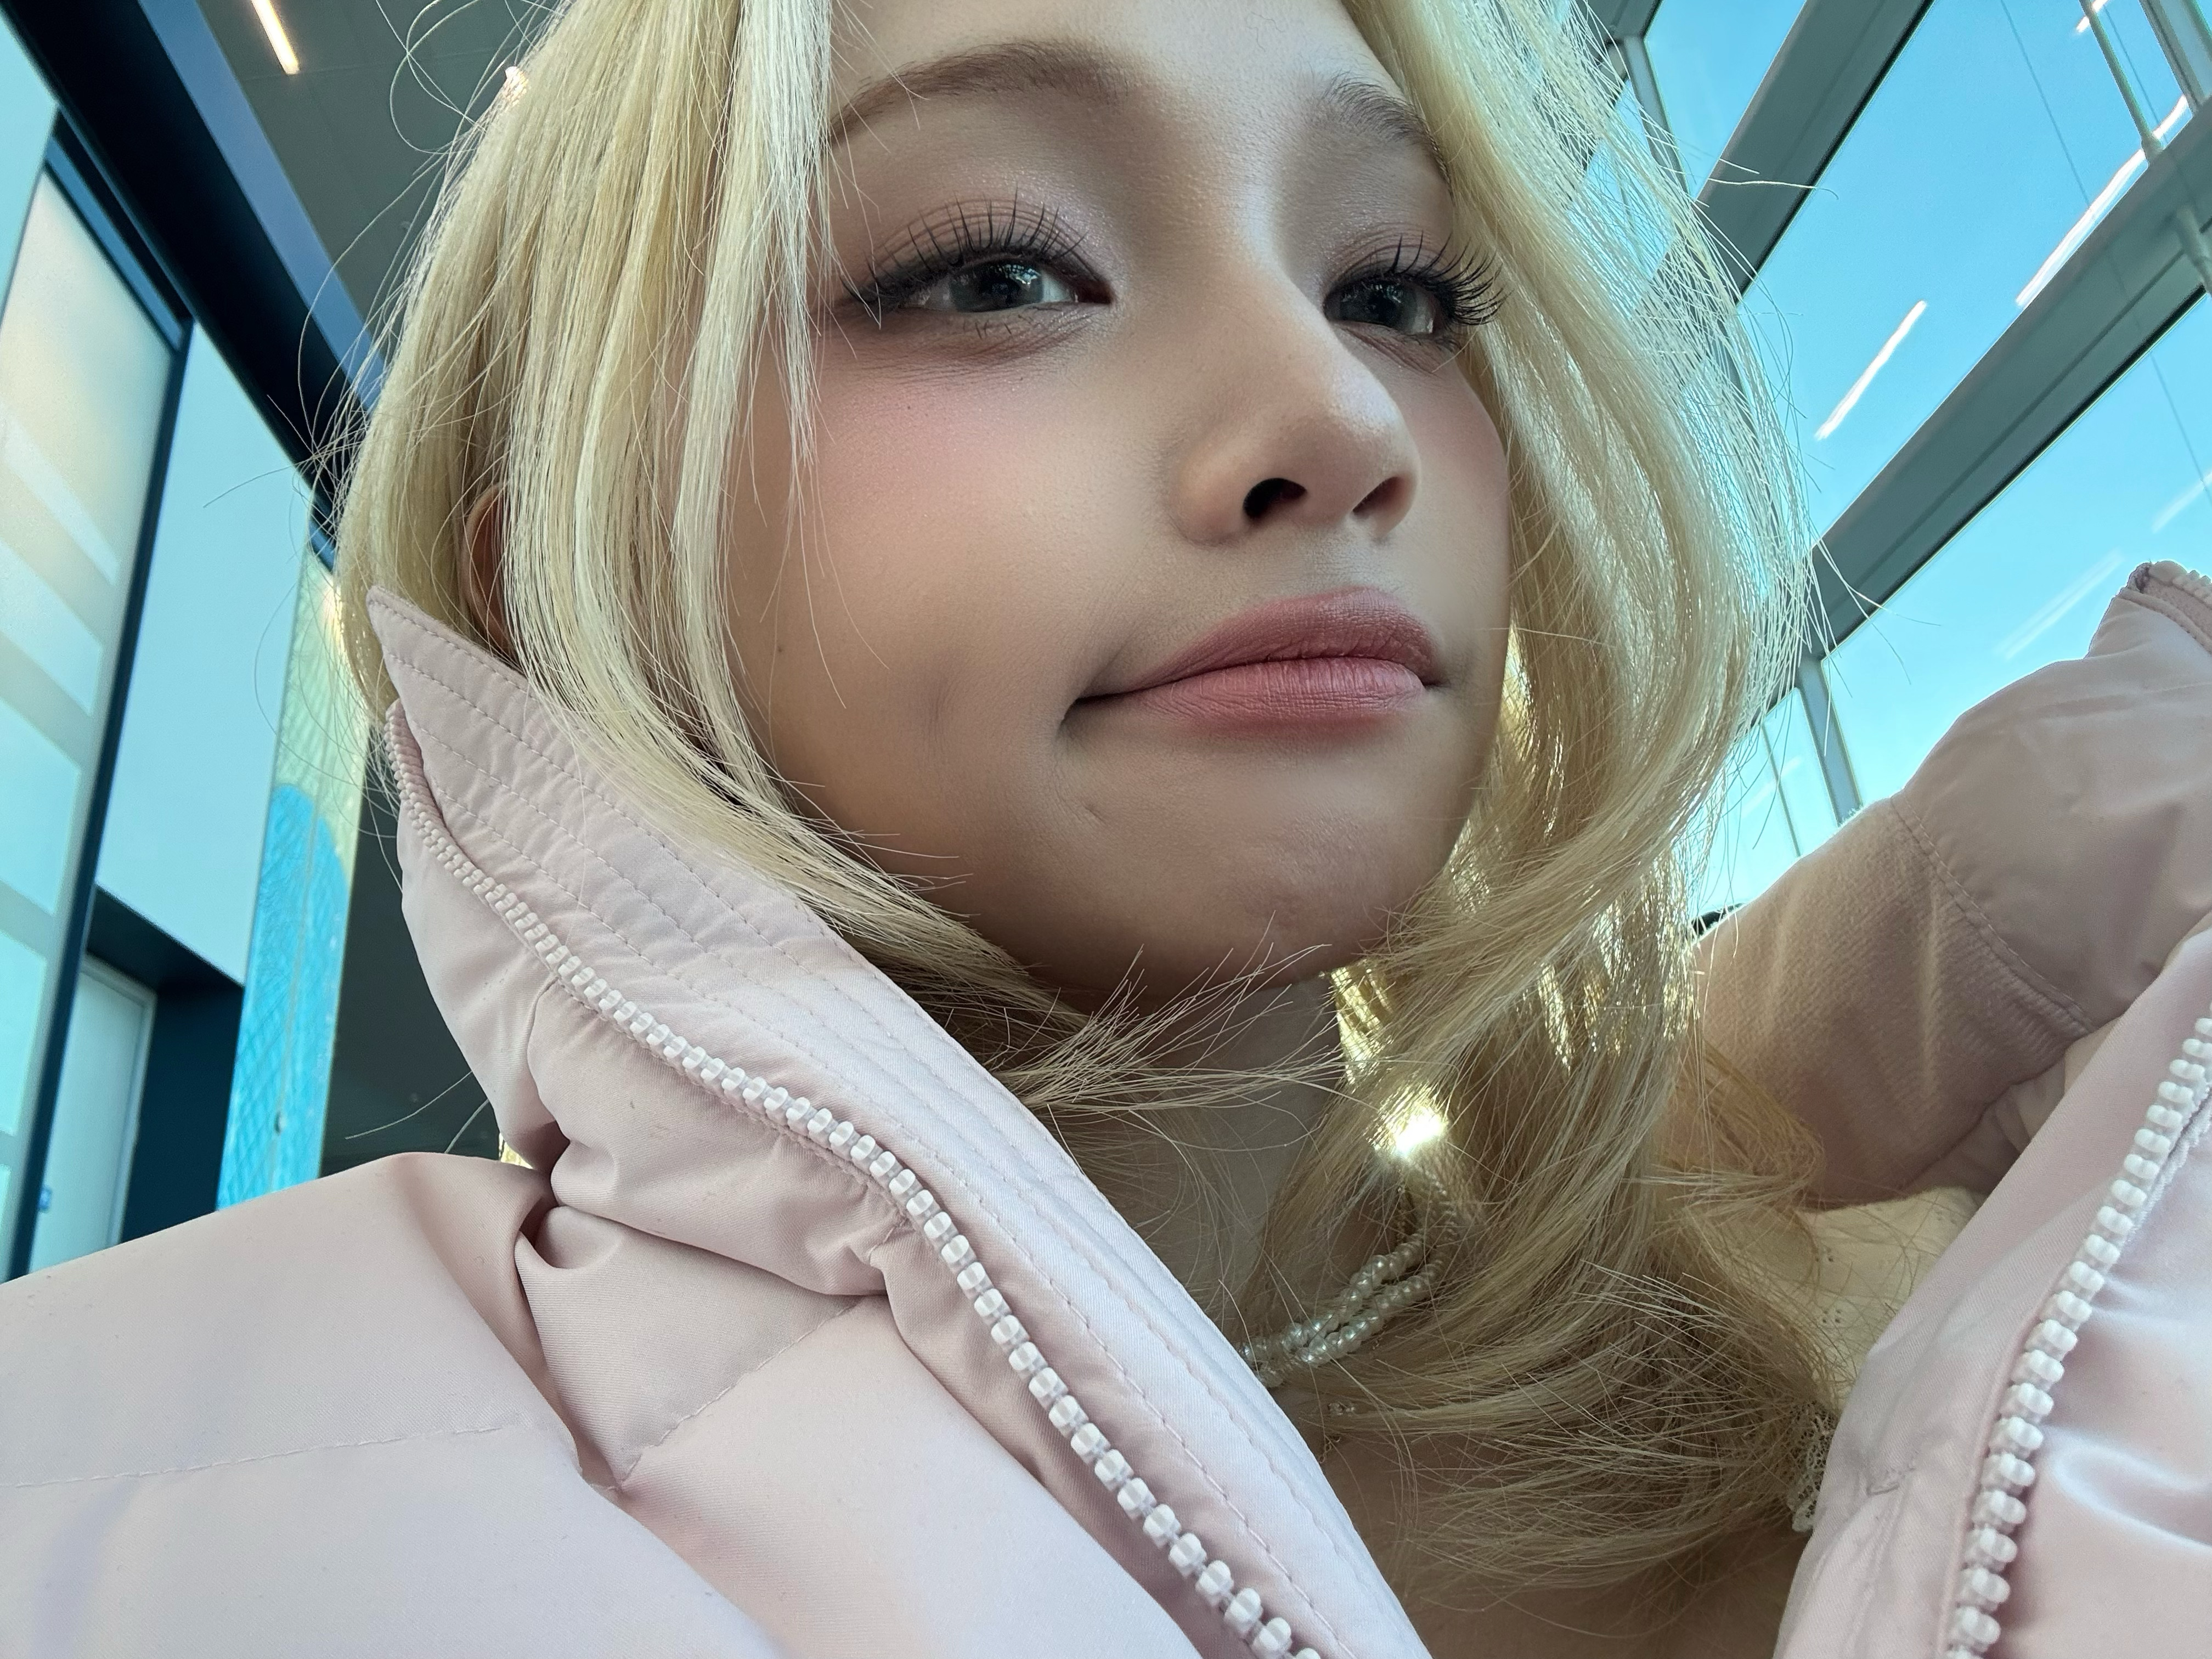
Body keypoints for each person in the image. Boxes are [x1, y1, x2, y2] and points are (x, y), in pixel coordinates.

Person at [3, 0, 2207, 1654]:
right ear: (546, 594)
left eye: (1399, 289)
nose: (1338, 414)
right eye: (991, 270)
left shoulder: (1888, 1276)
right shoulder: (104, 1501)